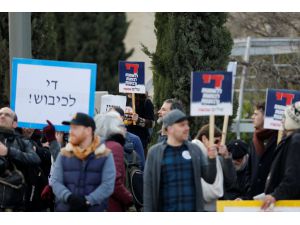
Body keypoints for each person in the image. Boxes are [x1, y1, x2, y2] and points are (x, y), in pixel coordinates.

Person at [143, 109, 217, 212]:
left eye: (187, 125)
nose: (187, 128)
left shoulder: (195, 150)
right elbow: (148, 191)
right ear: (170, 128)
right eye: (182, 125)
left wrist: (212, 159)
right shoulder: (154, 153)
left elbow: (210, 178)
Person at [51, 112, 116, 212]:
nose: (71, 132)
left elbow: (108, 185)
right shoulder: (64, 153)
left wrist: (88, 201)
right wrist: (69, 198)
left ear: (88, 130)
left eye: (75, 128)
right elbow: (55, 181)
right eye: (71, 128)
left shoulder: (104, 155)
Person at [0, 107, 41, 211]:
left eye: (7, 115)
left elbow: (35, 159)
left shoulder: (23, 142)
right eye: (0, 114)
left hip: (15, 206)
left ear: (14, 124)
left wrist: (8, 152)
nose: (2, 116)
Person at [262, 102, 300, 210]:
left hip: (289, 208)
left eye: (284, 117)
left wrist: (276, 195)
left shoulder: (296, 141)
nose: (281, 121)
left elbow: (294, 177)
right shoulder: (292, 140)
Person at [94, 111, 133, 212]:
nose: (125, 129)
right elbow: (114, 182)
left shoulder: (96, 146)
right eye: (122, 125)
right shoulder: (115, 146)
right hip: (111, 205)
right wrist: (129, 199)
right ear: (113, 127)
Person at [192, 124, 237, 211]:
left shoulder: (218, 159)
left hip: (216, 208)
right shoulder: (191, 155)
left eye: (220, 142)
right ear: (204, 139)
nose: (219, 145)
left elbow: (231, 182)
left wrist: (226, 157)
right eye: (216, 142)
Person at [244, 102, 278, 199]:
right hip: (253, 197)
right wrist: (248, 189)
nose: (252, 117)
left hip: (272, 198)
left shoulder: (279, 139)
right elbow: (249, 170)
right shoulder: (255, 138)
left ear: (265, 117)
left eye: (256, 114)